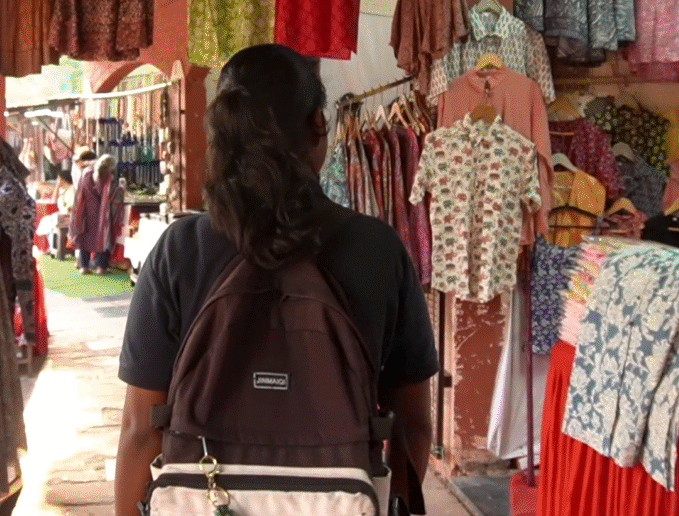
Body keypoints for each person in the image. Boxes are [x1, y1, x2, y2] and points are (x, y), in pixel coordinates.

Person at [114, 44, 439, 516]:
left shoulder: (179, 250)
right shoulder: (377, 249)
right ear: (317, 126)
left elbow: (140, 430)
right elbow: (413, 426)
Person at [70, 153, 124, 275]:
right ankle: (101, 267)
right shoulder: (108, 178)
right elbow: (115, 195)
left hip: (85, 212)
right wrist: (121, 189)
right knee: (103, 238)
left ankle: (84, 266)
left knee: (84, 238)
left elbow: (79, 193)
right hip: (102, 214)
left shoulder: (85, 174)